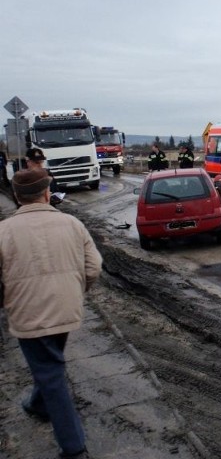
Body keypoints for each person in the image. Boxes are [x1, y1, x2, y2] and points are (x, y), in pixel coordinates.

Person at [0, 167, 103, 459]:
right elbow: (93, 267)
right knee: (50, 365)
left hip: (28, 316)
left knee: (50, 371)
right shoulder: (72, 224)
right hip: (66, 309)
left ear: (18, 198)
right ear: (47, 193)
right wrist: (75, 291)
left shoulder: (3, 232)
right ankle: (38, 403)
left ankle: (73, 447)